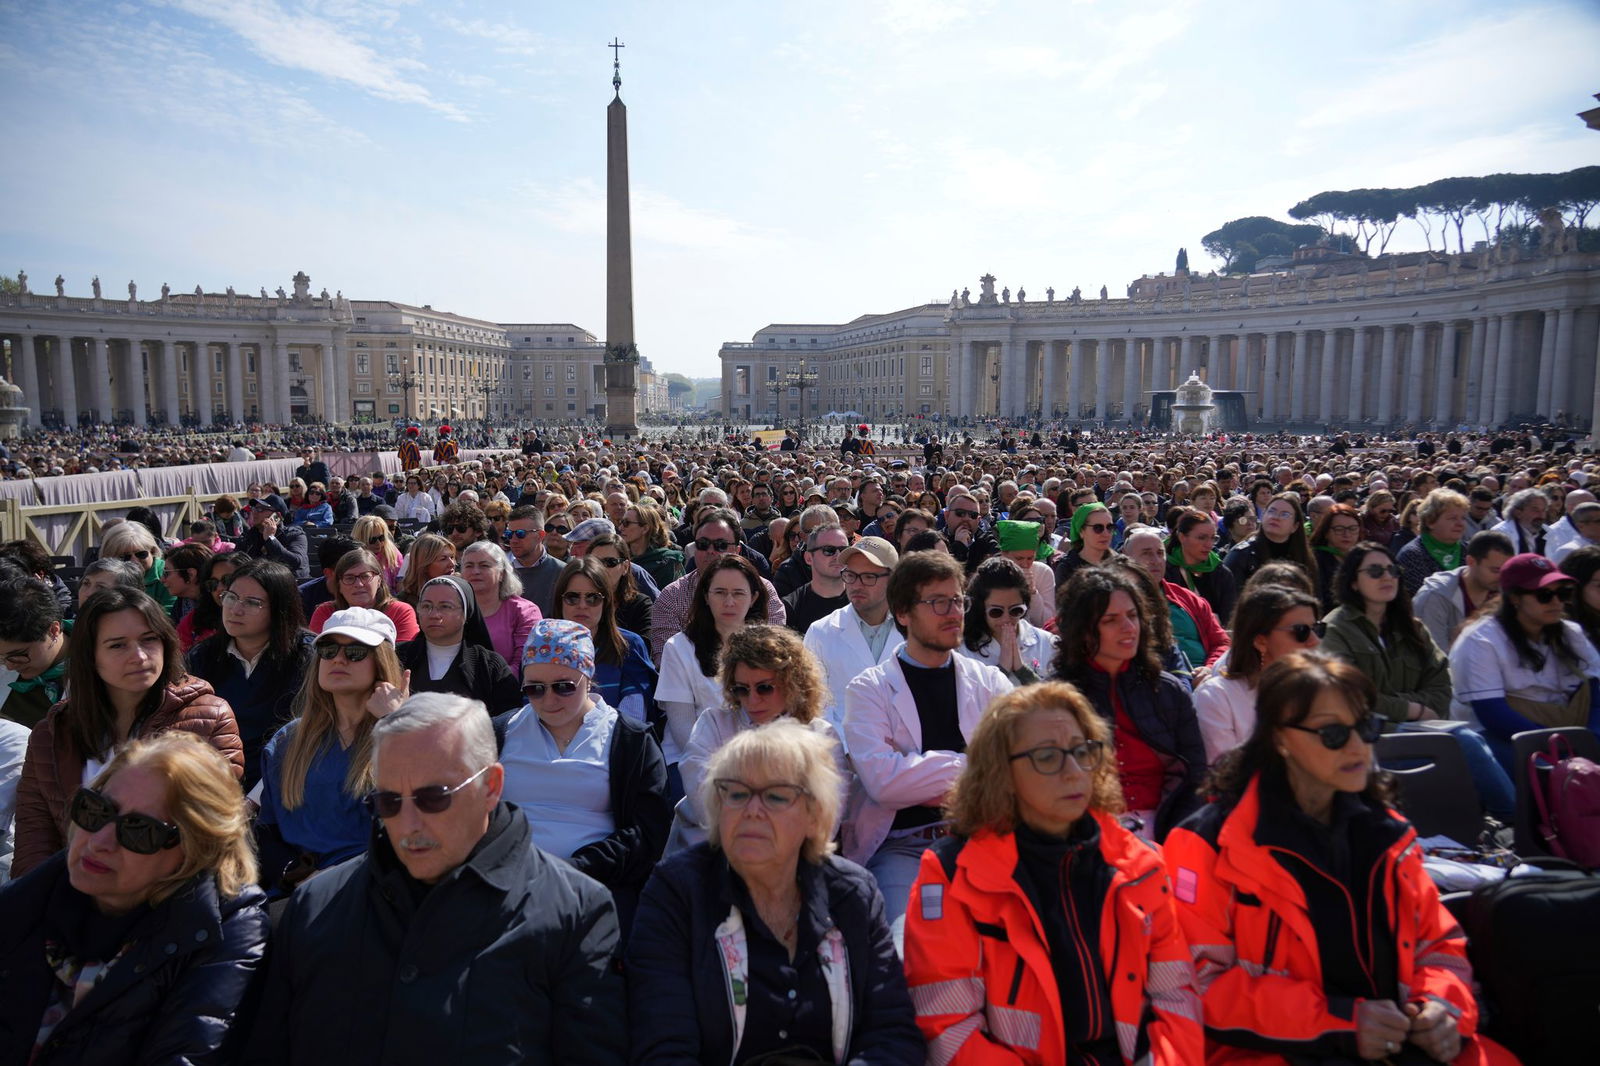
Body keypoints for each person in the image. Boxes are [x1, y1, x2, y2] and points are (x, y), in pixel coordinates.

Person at [1165, 652, 1519, 1066]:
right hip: (1277, 1052)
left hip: (1400, 1043)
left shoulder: (1385, 831)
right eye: (1333, 734)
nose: (1357, 746)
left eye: (1365, 728)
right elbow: (1199, 985)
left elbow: (1439, 946)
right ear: (1279, 739)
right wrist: (1338, 1023)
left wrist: (1443, 1009)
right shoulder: (1208, 843)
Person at [245, 692, 627, 1066]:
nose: (408, 824)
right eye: (389, 802)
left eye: (434, 797)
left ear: (491, 787)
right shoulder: (315, 907)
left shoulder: (576, 911)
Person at [902, 682, 1203, 1065]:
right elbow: (949, 1030)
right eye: (1048, 757)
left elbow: (1178, 999)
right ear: (1000, 771)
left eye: (1083, 751)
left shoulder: (1141, 864)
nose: (1074, 771)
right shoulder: (949, 876)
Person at [627, 721, 923, 1065]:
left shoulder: (852, 895)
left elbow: (893, 1033)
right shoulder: (677, 893)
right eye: (736, 793)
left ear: (815, 816)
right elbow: (663, 1046)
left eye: (776, 795)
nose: (752, 810)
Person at [0, 733, 267, 1066]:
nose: (100, 842)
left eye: (140, 830)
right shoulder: (28, 899)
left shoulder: (224, 930)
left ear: (196, 851)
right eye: (96, 810)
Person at [11, 587, 244, 879]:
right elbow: (35, 839)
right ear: (90, 656)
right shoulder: (52, 733)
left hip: (167, 898)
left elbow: (210, 832)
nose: (139, 656)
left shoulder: (208, 718)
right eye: (117, 645)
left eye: (149, 639)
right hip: (71, 898)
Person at [842, 549, 1012, 932]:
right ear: (902, 613)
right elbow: (883, 784)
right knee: (909, 944)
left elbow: (1011, 770)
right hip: (902, 846)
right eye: (937, 602)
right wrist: (973, 766)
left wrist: (919, 772)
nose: (953, 612)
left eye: (957, 600)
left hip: (979, 838)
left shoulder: (990, 682)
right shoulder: (869, 690)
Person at [495, 620, 669, 936]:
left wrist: (576, 869)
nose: (548, 700)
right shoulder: (500, 734)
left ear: (587, 678)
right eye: (534, 688)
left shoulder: (629, 739)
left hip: (597, 887)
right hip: (508, 885)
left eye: (564, 686)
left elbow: (648, 833)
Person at [1323, 542, 1516, 822]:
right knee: (1465, 742)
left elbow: (1442, 684)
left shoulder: (1412, 627)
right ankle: (1516, 823)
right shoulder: (1336, 629)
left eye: (1392, 570)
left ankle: (1500, 827)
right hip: (1366, 737)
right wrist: (1412, 710)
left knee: (1488, 742)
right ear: (1353, 581)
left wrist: (1419, 710)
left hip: (1421, 728)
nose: (1387, 577)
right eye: (1375, 571)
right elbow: (1351, 696)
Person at [256, 607, 409, 891]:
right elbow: (268, 830)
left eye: (355, 652)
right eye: (328, 649)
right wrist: (292, 874)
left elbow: (420, 822)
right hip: (297, 892)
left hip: (376, 889)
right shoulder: (287, 740)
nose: (338, 658)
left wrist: (395, 722)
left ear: (381, 662)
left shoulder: (402, 735)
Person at [1051, 566, 1206, 841]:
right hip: (1088, 839)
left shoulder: (1168, 691)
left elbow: (1194, 777)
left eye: (1133, 616)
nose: (1128, 628)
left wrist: (1175, 837)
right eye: (1111, 620)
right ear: (1084, 630)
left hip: (1167, 831)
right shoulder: (1055, 700)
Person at [674, 624, 845, 851]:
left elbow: (825, 821)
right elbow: (703, 801)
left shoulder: (821, 736)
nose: (752, 700)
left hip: (791, 858)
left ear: (792, 683)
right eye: (741, 689)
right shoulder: (714, 724)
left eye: (764, 688)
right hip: (710, 852)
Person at [1450, 552, 1600, 771]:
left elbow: (1596, 692)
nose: (1557, 602)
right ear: (1514, 598)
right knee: (1548, 775)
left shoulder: (1571, 632)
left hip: (1568, 732)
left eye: (1564, 593)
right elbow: (1492, 713)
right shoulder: (1481, 640)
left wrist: (1592, 738)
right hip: (1501, 737)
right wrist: (1561, 749)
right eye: (1544, 595)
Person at [186, 559, 316, 790]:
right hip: (215, 783)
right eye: (231, 597)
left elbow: (309, 737)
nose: (236, 609)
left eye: (253, 603)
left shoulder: (309, 657)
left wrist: (257, 798)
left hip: (290, 782)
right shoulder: (202, 657)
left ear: (279, 609)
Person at [658, 555, 772, 784]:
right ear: (706, 597)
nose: (729, 602)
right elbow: (682, 729)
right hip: (694, 762)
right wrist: (727, 768)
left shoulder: (771, 648)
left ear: (754, 598)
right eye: (719, 592)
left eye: (738, 593)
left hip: (759, 761)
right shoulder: (678, 648)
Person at [1192, 584, 1323, 764]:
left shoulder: (1323, 691)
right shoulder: (1217, 698)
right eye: (1301, 631)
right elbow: (1225, 779)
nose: (1315, 641)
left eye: (1317, 629)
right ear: (1261, 641)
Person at [650, 506, 786, 663]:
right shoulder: (672, 596)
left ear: (737, 550)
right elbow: (666, 660)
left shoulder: (762, 590)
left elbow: (774, 649)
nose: (710, 551)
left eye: (720, 545)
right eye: (703, 544)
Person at [803, 535, 902, 741]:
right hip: (841, 755)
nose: (856, 585)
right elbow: (814, 703)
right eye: (850, 575)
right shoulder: (821, 632)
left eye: (868, 577)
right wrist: (848, 750)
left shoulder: (917, 629)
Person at [551, 557, 657, 725]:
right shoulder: (542, 647)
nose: (582, 605)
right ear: (560, 600)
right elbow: (534, 706)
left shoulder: (628, 645)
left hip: (613, 744)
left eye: (593, 598)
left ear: (606, 602)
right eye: (572, 597)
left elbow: (633, 715)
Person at [397, 575, 522, 714]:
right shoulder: (398, 657)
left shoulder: (488, 665)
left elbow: (509, 719)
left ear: (466, 614)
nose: (434, 614)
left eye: (445, 606)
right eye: (426, 606)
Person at [958, 556, 1057, 684]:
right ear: (980, 608)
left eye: (1015, 610)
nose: (1006, 619)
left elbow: (1057, 700)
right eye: (996, 612)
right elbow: (970, 701)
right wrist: (1003, 669)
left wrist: (1022, 671)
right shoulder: (962, 650)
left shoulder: (1048, 644)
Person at [1413, 530, 1514, 651]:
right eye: (1495, 570)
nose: (1502, 578)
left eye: (1506, 571)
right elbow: (1434, 658)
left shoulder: (1506, 593)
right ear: (1471, 562)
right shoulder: (1435, 597)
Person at [0, 576, 72, 729]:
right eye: (1, 658)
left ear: (53, 630)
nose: (9, 666)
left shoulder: (102, 664)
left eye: (18, 655)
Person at [460, 540, 542, 673]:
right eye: (469, 566)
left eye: (484, 565)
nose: (475, 571)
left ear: (502, 573)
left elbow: (524, 663)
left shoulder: (524, 611)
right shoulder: (454, 608)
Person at [309, 548, 420, 641]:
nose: (358, 584)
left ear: (379, 580)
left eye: (365, 576)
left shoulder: (400, 611)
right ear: (339, 586)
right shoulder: (325, 612)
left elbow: (405, 656)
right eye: (349, 578)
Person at [1224, 492, 1316, 589]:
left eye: (1285, 514)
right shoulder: (1242, 555)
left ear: (1295, 526)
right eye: (1271, 511)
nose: (1275, 517)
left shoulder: (1304, 556)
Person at [1395, 489, 1470, 597]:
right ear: (1430, 521)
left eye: (1463, 518)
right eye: (1453, 518)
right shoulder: (1412, 555)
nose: (1460, 524)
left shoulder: (1468, 551)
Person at [782, 523, 852, 636]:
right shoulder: (790, 607)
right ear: (809, 558)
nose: (838, 556)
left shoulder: (861, 600)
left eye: (843, 550)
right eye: (829, 550)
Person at [584, 530, 654, 637]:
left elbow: (643, 648)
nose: (602, 568)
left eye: (610, 562)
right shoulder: (577, 600)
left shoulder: (640, 605)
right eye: (595, 562)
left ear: (625, 567)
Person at [100, 521, 175, 611]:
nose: (134, 561)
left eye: (141, 554)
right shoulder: (102, 578)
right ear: (109, 557)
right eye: (124, 557)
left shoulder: (166, 574)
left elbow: (170, 615)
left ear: (152, 551)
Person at [995, 518, 1057, 628]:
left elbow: (1046, 622)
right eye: (1019, 558)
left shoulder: (1043, 572)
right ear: (1004, 554)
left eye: (1030, 558)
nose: (1025, 564)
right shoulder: (991, 573)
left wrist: (1032, 592)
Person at [504, 505, 564, 615]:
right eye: (509, 534)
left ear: (540, 535)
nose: (513, 540)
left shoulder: (563, 572)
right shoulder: (503, 574)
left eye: (520, 534)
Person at [236, 494, 310, 580]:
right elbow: (237, 559)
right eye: (254, 508)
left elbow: (295, 562)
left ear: (277, 516)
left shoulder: (295, 534)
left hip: (289, 584)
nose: (254, 512)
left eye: (260, 509)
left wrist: (270, 539)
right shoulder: (251, 534)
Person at [1307, 503, 1362, 612]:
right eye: (1339, 529)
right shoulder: (1314, 560)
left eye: (1353, 528)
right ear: (1326, 532)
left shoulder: (1362, 557)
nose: (1347, 534)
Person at [1051, 501, 1119, 587]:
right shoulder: (1067, 568)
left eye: (1110, 527)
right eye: (1098, 528)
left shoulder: (1120, 564)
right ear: (1081, 531)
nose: (1106, 533)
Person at [620, 503, 685, 590]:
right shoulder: (619, 559)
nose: (620, 528)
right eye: (621, 522)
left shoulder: (668, 562)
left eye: (626, 523)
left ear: (645, 528)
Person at [396, 532, 456, 605]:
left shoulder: (461, 592)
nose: (452, 564)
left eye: (452, 557)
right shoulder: (404, 602)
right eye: (443, 559)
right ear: (424, 565)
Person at [352, 513, 404, 590]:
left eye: (381, 538)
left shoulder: (392, 553)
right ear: (360, 539)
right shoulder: (353, 557)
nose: (378, 543)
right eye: (372, 540)